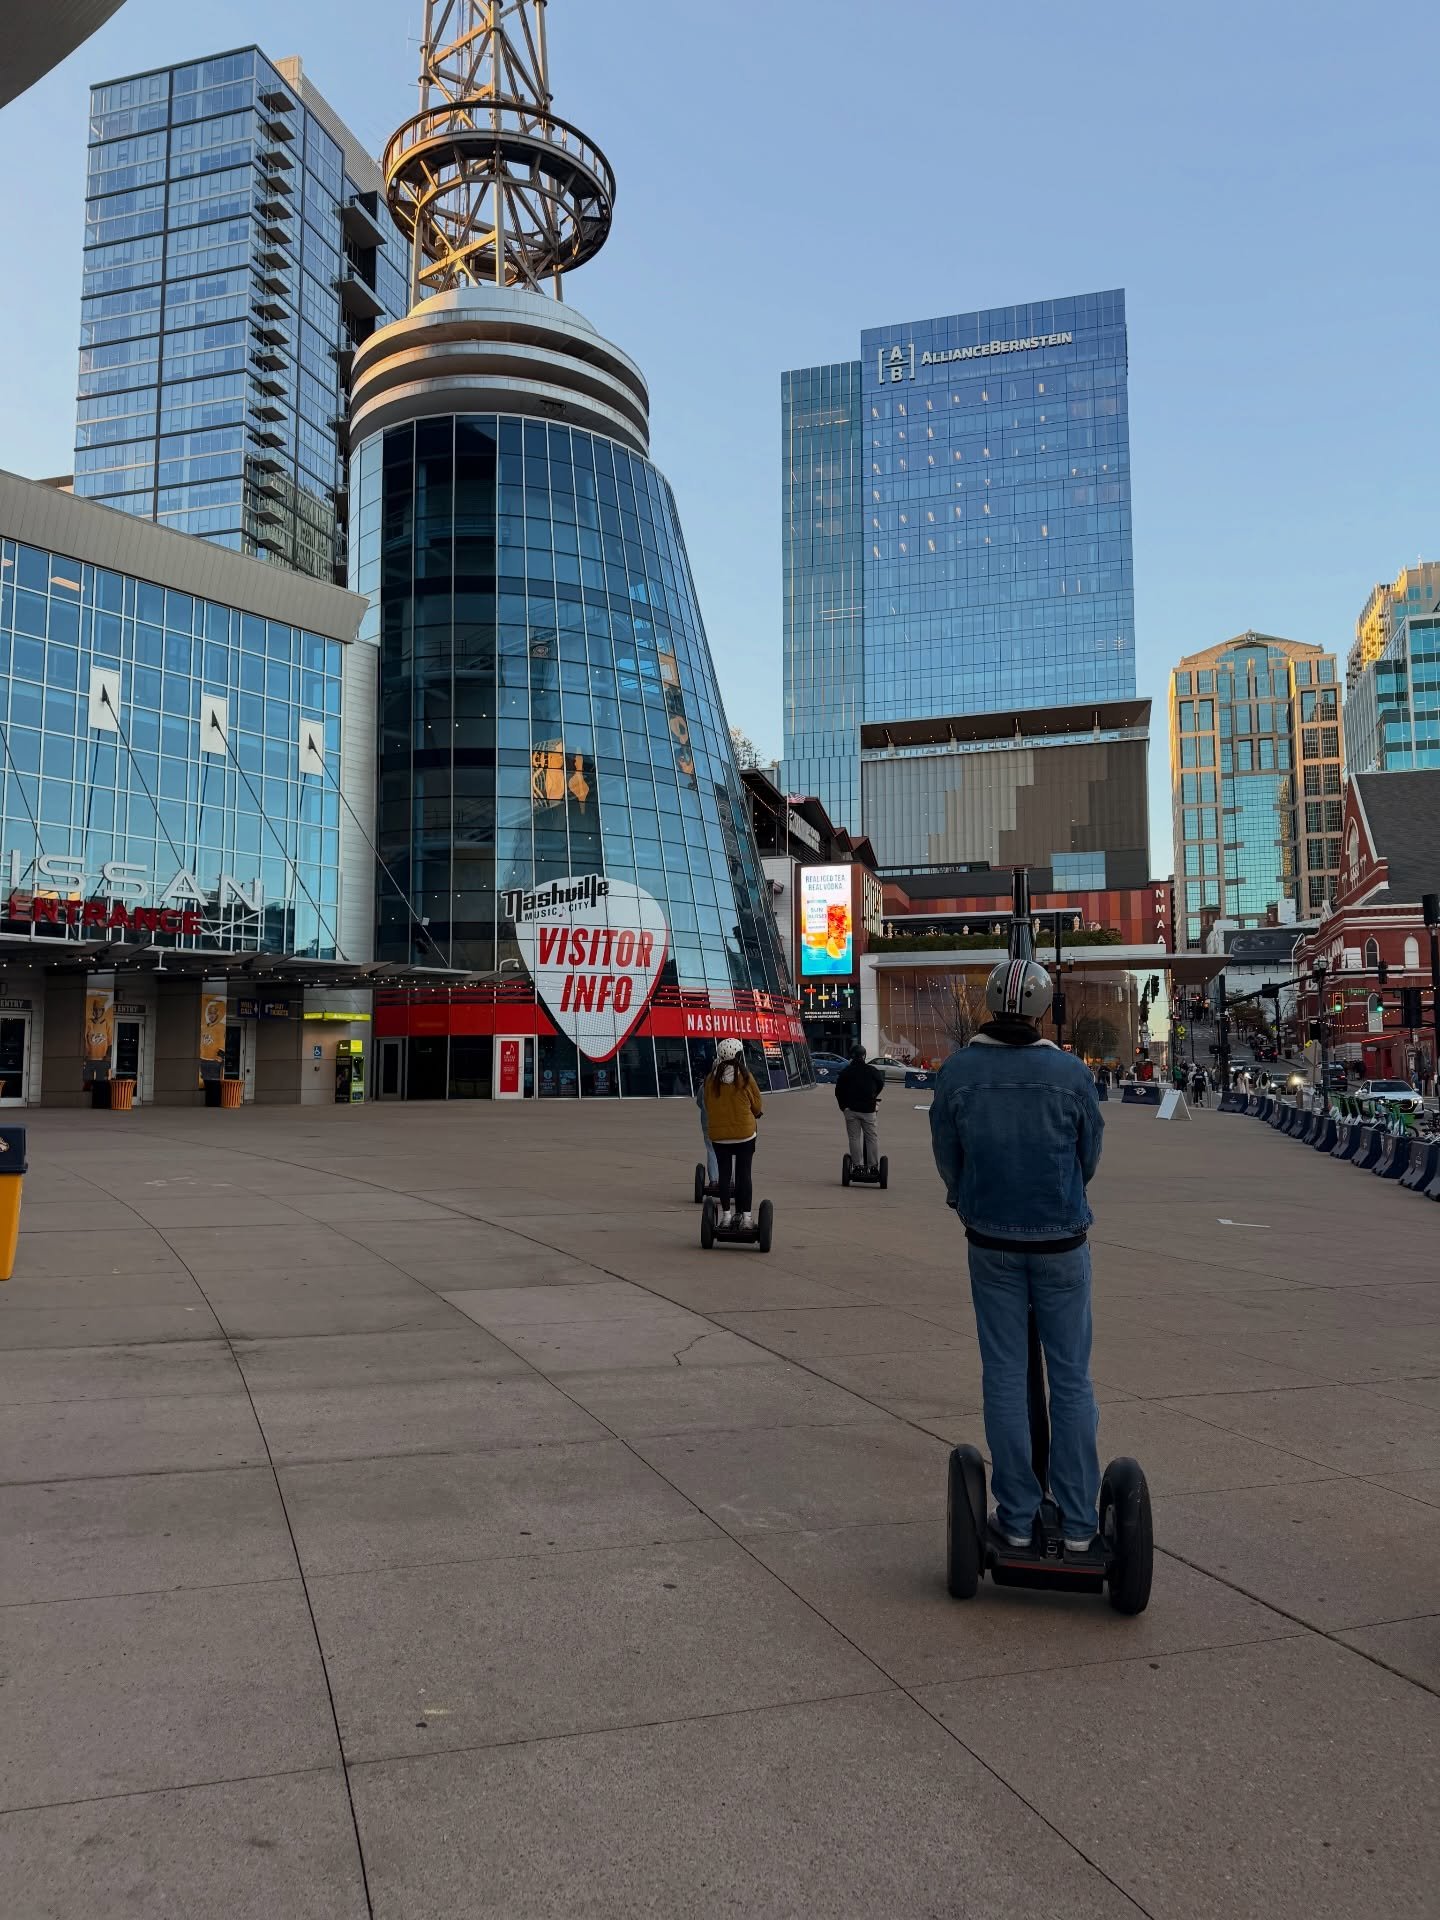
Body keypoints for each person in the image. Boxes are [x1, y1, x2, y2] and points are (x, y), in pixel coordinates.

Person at [930, 957, 1104, 1555]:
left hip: (992, 1243)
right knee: (1071, 1378)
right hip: (1061, 1243)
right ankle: (1079, 1523)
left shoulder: (957, 1072)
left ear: (989, 1003)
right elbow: (1088, 1156)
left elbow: (947, 1156)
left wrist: (966, 1199)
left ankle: (1018, 1514)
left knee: (1005, 1373)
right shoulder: (1070, 1074)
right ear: (1041, 1010)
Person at [704, 1037, 763, 1229]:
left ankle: (726, 1216)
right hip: (744, 1134)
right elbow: (757, 1105)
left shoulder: (711, 1079)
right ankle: (746, 1218)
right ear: (738, 1056)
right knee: (744, 1175)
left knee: (724, 1174)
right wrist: (755, 1112)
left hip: (720, 1137)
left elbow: (707, 1105)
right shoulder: (745, 1077)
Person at [834, 1044, 885, 1173]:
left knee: (854, 1138)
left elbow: (838, 1091)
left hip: (851, 1110)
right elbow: (880, 1084)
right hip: (868, 1109)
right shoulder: (872, 1070)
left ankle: (857, 1167)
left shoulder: (846, 1072)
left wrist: (843, 1107)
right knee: (871, 1137)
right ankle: (873, 1167)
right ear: (864, 1056)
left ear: (851, 1056)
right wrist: (873, 1096)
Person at [692, 1043, 719, 1195]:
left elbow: (699, 1102)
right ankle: (730, 1179)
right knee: (732, 1151)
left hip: (708, 1122)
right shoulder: (732, 1085)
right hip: (727, 1123)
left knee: (711, 1150)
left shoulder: (706, 1084)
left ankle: (714, 1180)